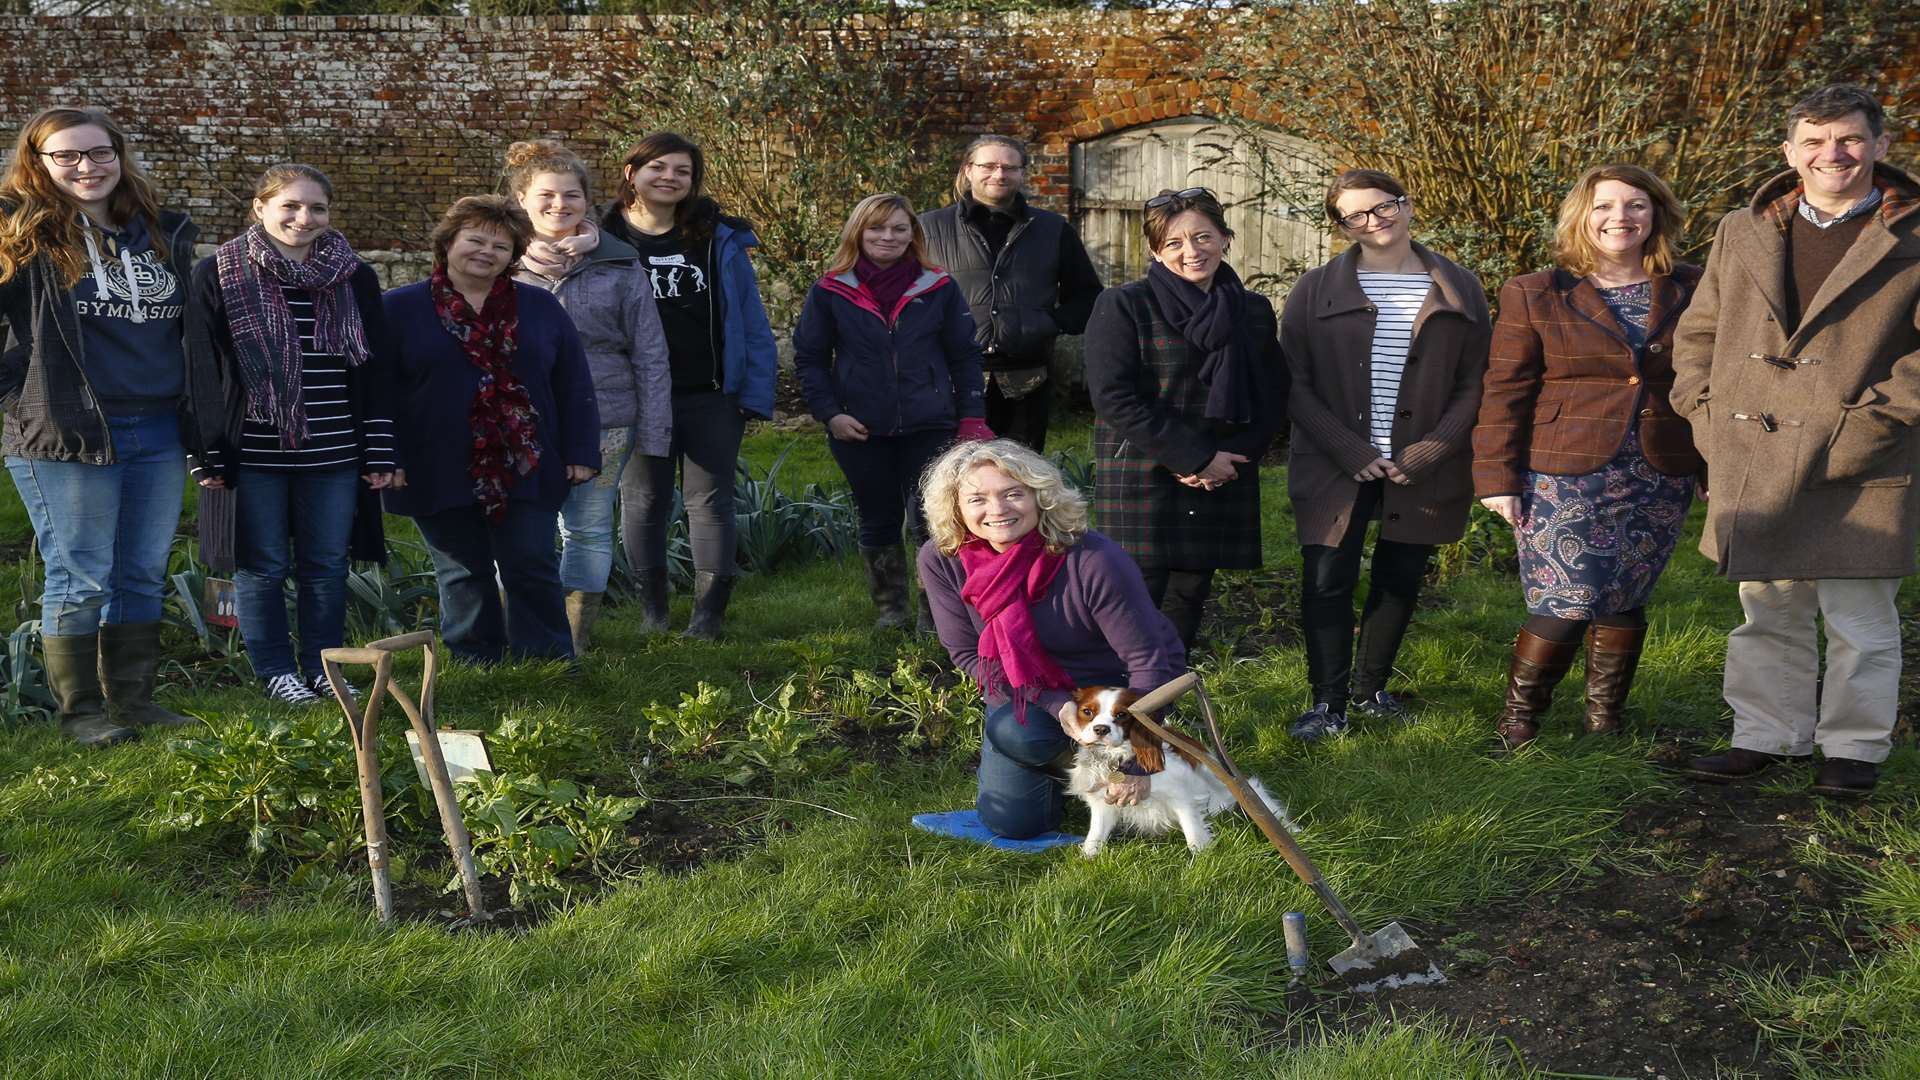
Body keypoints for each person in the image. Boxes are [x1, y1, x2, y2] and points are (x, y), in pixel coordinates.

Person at [1671, 84, 1920, 798]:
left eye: (1847, 139)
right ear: (1789, 152)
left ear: (1879, 145)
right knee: (1767, 606)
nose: (1830, 154)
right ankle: (1766, 734)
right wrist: (1702, 407)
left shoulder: (1913, 233)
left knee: (1859, 617)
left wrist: (1871, 423)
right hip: (1755, 450)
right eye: (1813, 141)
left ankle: (1853, 749)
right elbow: (1699, 331)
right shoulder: (1740, 229)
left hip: (1864, 453)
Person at [0, 107, 221, 746]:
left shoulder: (158, 231)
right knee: (82, 572)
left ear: (119, 156)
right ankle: (82, 714)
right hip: (67, 432)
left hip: (155, 427)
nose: (85, 167)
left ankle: (135, 700)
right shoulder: (20, 232)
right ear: (37, 164)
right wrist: (18, 393)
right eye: (65, 156)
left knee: (142, 570)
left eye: (99, 153)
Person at [1473, 164, 1702, 748]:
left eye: (1635, 206)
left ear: (1657, 216)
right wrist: (1497, 475)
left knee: (1625, 593)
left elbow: (1713, 379)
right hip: (1562, 469)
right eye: (1604, 206)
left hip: (1659, 467)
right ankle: (1519, 721)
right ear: (1583, 215)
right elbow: (1506, 388)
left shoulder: (1695, 286)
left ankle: (1604, 721)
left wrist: (1711, 463)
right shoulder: (1535, 291)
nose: (1619, 218)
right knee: (1566, 595)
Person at [1281, 169, 1490, 741]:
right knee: (1327, 577)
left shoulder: (1458, 286)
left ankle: (1371, 691)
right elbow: (1292, 382)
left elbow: (1475, 380)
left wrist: (1432, 449)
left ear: (1407, 203)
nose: (1376, 221)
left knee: (1400, 575)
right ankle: (1327, 704)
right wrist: (1350, 448)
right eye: (1357, 215)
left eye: (1385, 206)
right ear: (1341, 226)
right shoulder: (1314, 289)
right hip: (1333, 461)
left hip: (1420, 463)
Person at [187, 164, 399, 706]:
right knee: (262, 567)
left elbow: (376, 368)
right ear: (260, 208)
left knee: (326, 566)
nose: (304, 219)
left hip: (333, 450)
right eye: (290, 206)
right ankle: (277, 671)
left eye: (317, 208)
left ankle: (323, 670)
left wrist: (379, 447)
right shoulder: (220, 273)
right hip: (253, 450)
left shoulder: (355, 276)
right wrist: (206, 451)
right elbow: (201, 368)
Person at [918, 438, 1186, 840]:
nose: (997, 510)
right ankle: (1081, 765)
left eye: (1013, 493)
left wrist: (1140, 759)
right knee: (1014, 817)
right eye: (977, 499)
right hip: (1029, 692)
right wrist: (1056, 704)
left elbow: (1150, 661)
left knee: (1147, 826)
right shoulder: (942, 559)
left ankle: (1122, 758)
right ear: (955, 508)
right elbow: (967, 653)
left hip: (1116, 695)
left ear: (1040, 496)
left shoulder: (1093, 559)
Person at [383, 195, 599, 665]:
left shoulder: (540, 307)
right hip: (434, 460)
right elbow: (378, 391)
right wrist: (388, 456)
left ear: (514, 255)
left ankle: (545, 661)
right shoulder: (398, 309)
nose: (486, 252)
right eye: (474, 240)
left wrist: (581, 450)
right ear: (448, 243)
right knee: (462, 569)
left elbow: (573, 381)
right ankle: (476, 660)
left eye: (500, 246)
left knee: (532, 561)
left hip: (527, 459)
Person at [1083, 187, 1286, 653]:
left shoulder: (1251, 310)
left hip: (1221, 469)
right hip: (1144, 467)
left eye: (1203, 237)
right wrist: (1194, 457)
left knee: (1191, 587)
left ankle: (1163, 697)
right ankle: (1116, 703)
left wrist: (1234, 458)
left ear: (1226, 238)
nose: (1191, 252)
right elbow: (1113, 397)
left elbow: (1273, 392)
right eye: (1174, 243)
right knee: (1136, 593)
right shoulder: (1124, 305)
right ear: (1155, 250)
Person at [599, 132, 779, 639]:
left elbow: (750, 318)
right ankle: (653, 614)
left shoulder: (717, 237)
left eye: (682, 171)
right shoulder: (602, 237)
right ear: (632, 173)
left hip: (710, 392)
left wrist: (755, 392)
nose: (670, 178)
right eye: (659, 167)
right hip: (636, 396)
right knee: (644, 500)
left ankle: (707, 618)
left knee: (710, 500)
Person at [792, 192, 989, 630]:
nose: (888, 236)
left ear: (913, 235)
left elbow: (965, 356)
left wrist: (972, 415)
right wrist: (830, 414)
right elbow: (810, 358)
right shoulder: (830, 290)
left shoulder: (937, 286)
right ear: (858, 233)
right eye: (877, 228)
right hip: (860, 429)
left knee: (931, 521)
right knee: (878, 518)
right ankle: (890, 610)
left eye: (899, 228)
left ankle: (934, 614)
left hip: (931, 424)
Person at [507, 139, 670, 654]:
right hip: (515, 421)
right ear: (521, 200)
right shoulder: (498, 260)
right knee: (515, 528)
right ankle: (516, 629)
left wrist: (656, 430)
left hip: (605, 417)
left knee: (588, 529)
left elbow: (649, 350)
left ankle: (573, 639)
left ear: (586, 201)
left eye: (572, 196)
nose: (559, 205)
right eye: (547, 196)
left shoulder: (620, 264)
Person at [919, 134, 1104, 451]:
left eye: (1009, 167)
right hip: (948, 377)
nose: (999, 174)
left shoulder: (1052, 229)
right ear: (968, 170)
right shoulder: (927, 228)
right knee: (949, 475)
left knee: (1018, 476)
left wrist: (1047, 323)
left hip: (1025, 380)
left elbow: (1088, 297)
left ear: (1022, 173)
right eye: (988, 166)